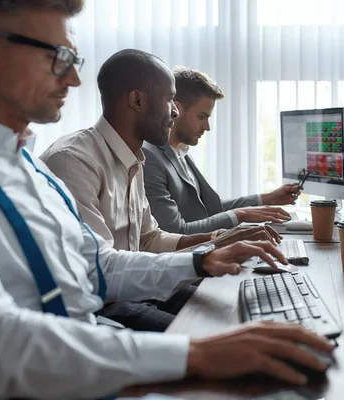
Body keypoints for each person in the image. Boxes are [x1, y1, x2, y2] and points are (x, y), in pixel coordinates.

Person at [0, 1, 334, 399]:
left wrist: (203, 258)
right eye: (59, 57)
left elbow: (98, 264)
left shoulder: (30, 168)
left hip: (93, 352)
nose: (75, 79)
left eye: (74, 59)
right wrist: (193, 353)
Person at [40, 49, 282, 332]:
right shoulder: (74, 161)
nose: (176, 111)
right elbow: (101, 269)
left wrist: (221, 238)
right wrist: (208, 253)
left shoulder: (134, 158)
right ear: (137, 100)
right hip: (104, 303)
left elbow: (149, 238)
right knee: (220, 333)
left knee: (238, 305)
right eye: (169, 99)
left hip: (136, 286)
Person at [142, 67, 302, 234]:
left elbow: (210, 208)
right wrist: (241, 216)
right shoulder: (150, 158)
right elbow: (174, 231)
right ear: (177, 109)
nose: (207, 127)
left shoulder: (180, 152)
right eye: (201, 117)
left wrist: (268, 198)